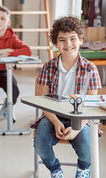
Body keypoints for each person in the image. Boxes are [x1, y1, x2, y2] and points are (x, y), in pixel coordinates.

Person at [33, 16, 101, 178]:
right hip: (52, 116)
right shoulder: (48, 67)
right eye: (62, 40)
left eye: (72, 39)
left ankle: (84, 168)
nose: (68, 44)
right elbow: (43, 101)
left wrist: (77, 128)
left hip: (81, 117)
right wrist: (56, 122)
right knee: (40, 144)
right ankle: (55, 169)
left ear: (81, 40)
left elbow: (90, 107)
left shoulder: (90, 69)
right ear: (56, 44)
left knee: (88, 148)